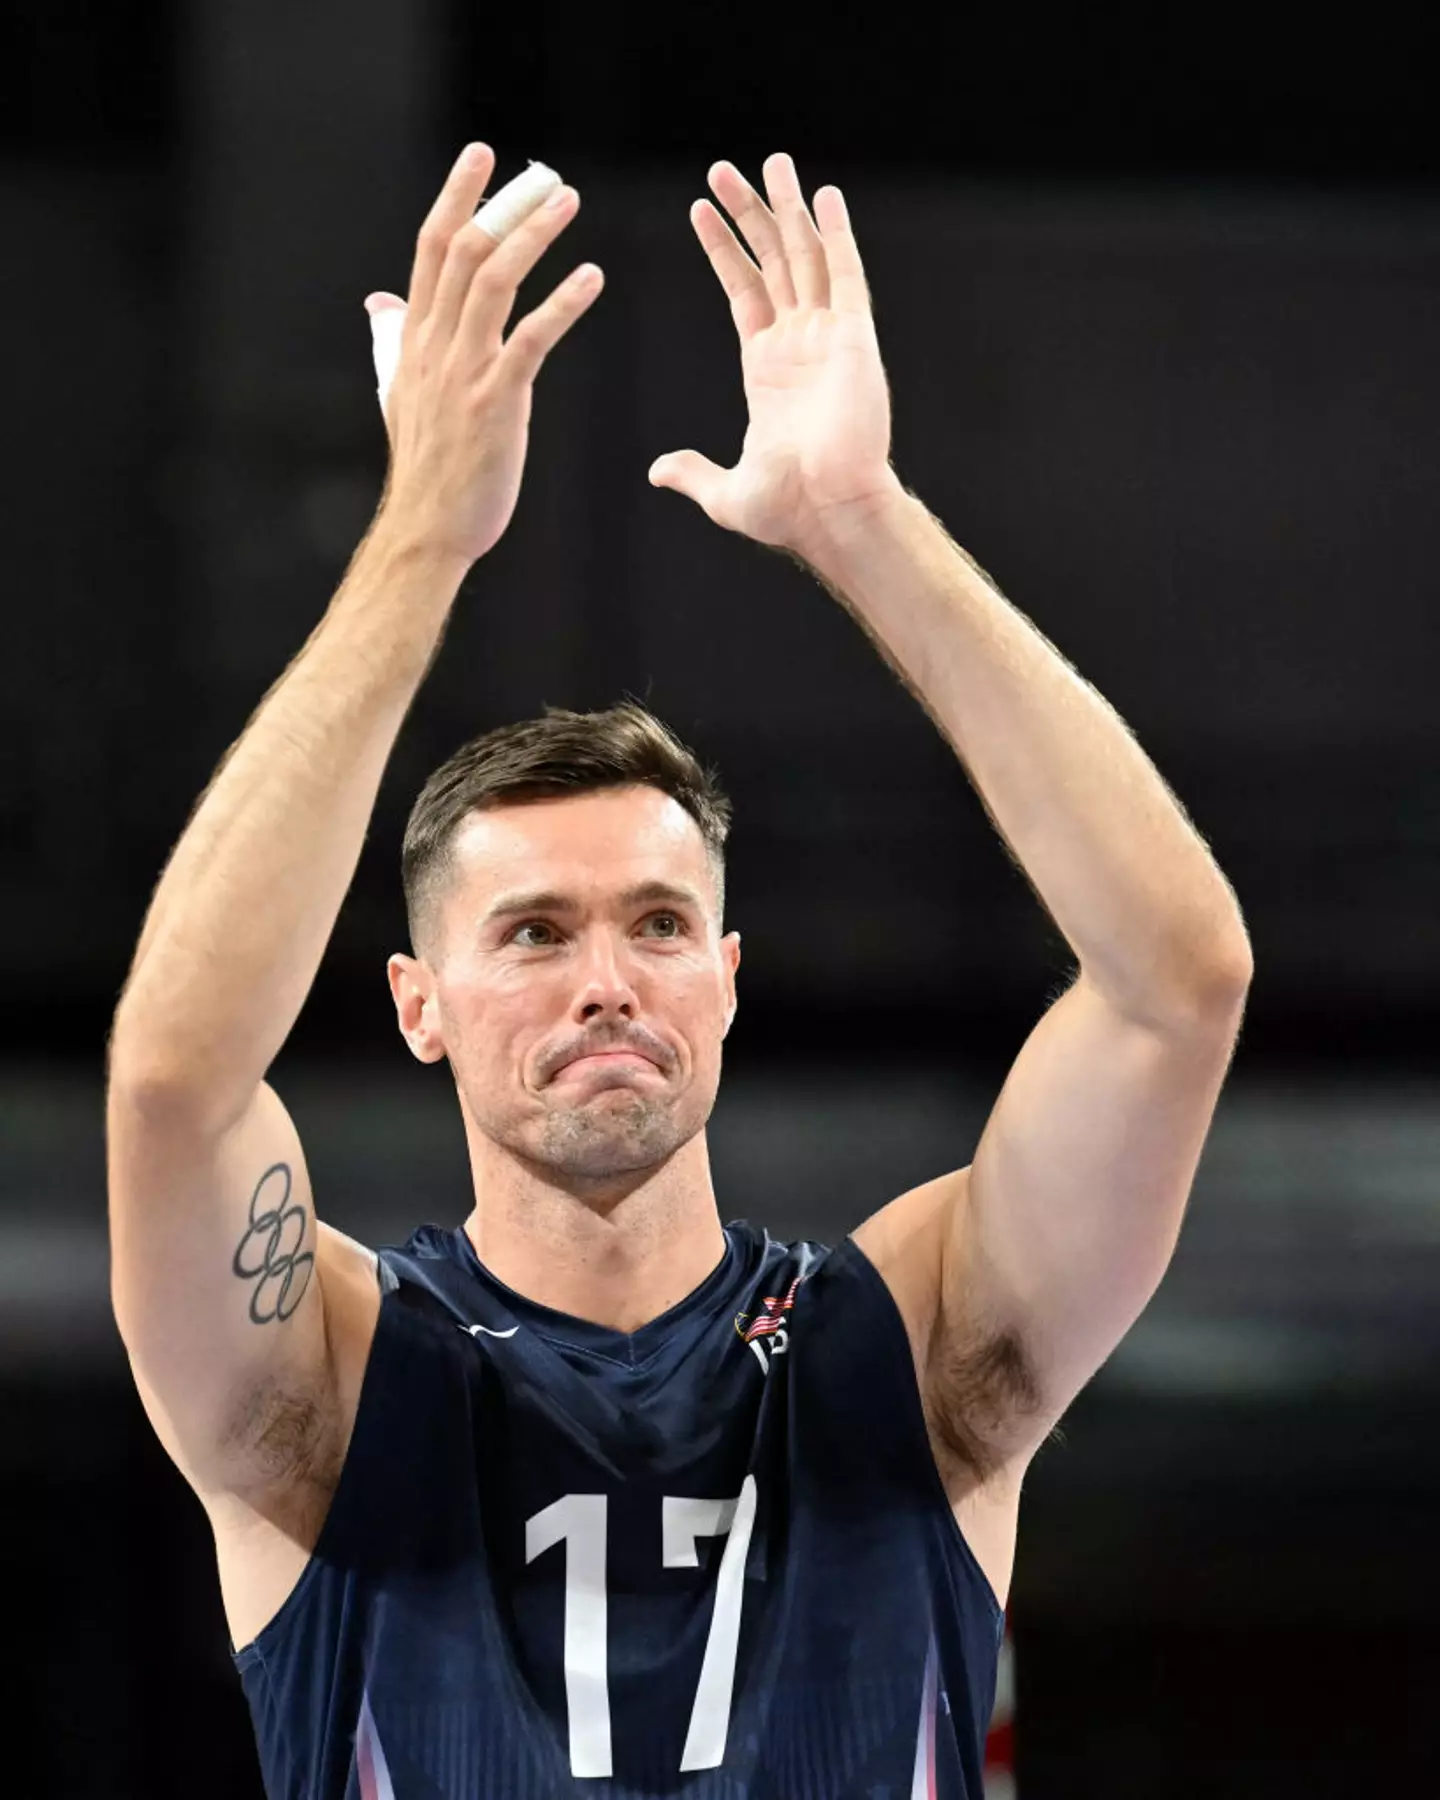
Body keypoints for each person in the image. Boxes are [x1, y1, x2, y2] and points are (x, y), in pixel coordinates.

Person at [106, 143, 1252, 1799]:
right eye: (532, 932)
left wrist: (864, 524)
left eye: (655, 925)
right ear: (418, 1006)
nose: (607, 980)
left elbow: (1177, 985)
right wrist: (421, 537)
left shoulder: (903, 1347)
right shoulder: (343, 1384)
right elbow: (173, 1083)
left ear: (723, 977)